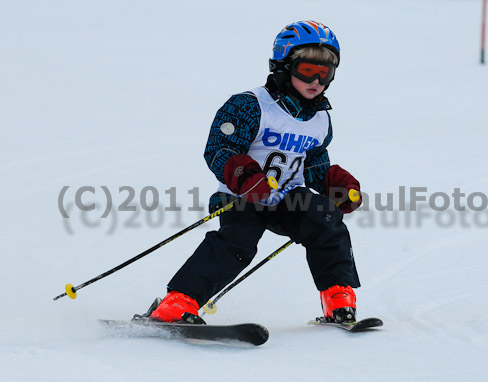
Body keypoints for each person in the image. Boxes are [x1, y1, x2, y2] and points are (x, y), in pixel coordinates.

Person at [150, 20, 363, 324]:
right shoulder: (249, 105)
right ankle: (177, 302)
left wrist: (334, 186)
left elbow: (314, 162)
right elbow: (220, 149)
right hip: (242, 195)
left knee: (326, 219)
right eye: (307, 70)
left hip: (289, 199)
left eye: (325, 72)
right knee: (238, 241)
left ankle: (338, 298)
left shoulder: (320, 119)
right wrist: (245, 176)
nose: (316, 79)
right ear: (284, 66)